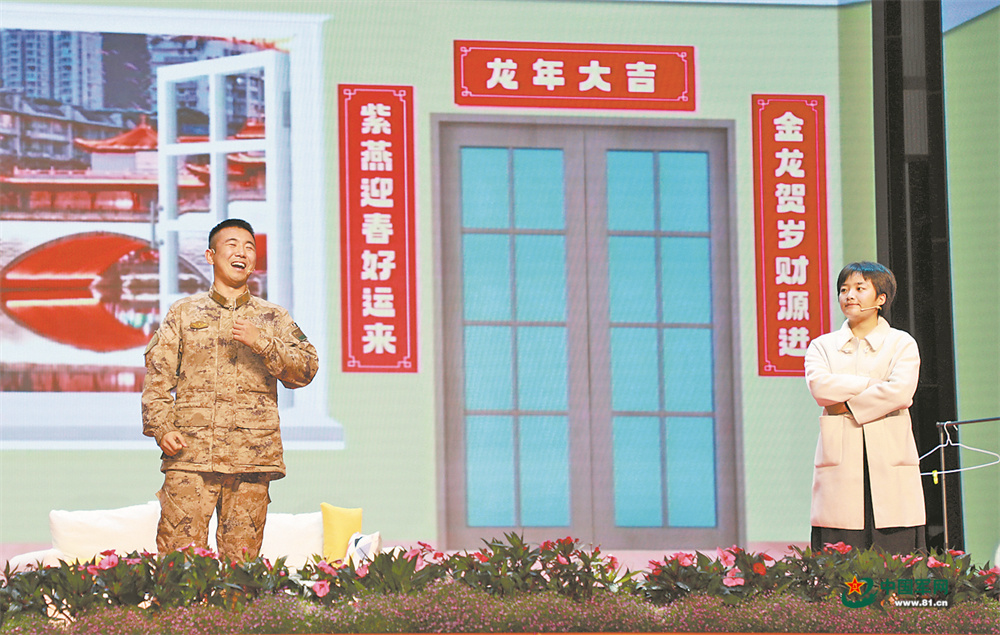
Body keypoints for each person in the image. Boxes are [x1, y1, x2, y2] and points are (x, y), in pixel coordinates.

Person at [142, 218, 318, 561]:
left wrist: (262, 342)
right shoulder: (184, 313)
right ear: (211, 256)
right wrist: (162, 427)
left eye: (249, 247)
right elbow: (157, 378)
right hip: (190, 456)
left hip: (250, 458)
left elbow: (307, 369)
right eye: (232, 245)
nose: (241, 253)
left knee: (242, 569)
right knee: (179, 564)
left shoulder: (272, 317)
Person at [804, 261, 926, 554]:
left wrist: (845, 405)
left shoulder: (901, 343)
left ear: (881, 298)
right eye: (844, 289)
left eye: (860, 288)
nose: (849, 295)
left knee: (896, 556)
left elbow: (901, 392)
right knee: (839, 556)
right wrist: (873, 385)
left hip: (889, 457)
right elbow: (820, 387)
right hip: (841, 462)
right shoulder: (822, 346)